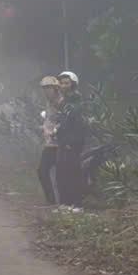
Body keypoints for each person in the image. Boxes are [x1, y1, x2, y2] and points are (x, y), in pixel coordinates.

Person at [55, 71, 87, 207]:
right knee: (62, 172)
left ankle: (76, 204)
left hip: (73, 142)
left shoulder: (76, 100)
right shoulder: (63, 100)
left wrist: (71, 141)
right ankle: (65, 203)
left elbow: (77, 123)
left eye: (66, 83)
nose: (63, 86)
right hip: (63, 141)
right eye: (61, 83)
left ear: (73, 84)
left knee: (73, 173)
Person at [37, 76, 63, 205]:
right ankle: (52, 200)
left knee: (48, 171)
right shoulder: (49, 102)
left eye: (49, 88)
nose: (46, 91)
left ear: (56, 88)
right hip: (50, 143)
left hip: (58, 143)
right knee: (44, 171)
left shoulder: (61, 102)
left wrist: (55, 131)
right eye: (44, 88)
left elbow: (64, 120)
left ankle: (56, 201)